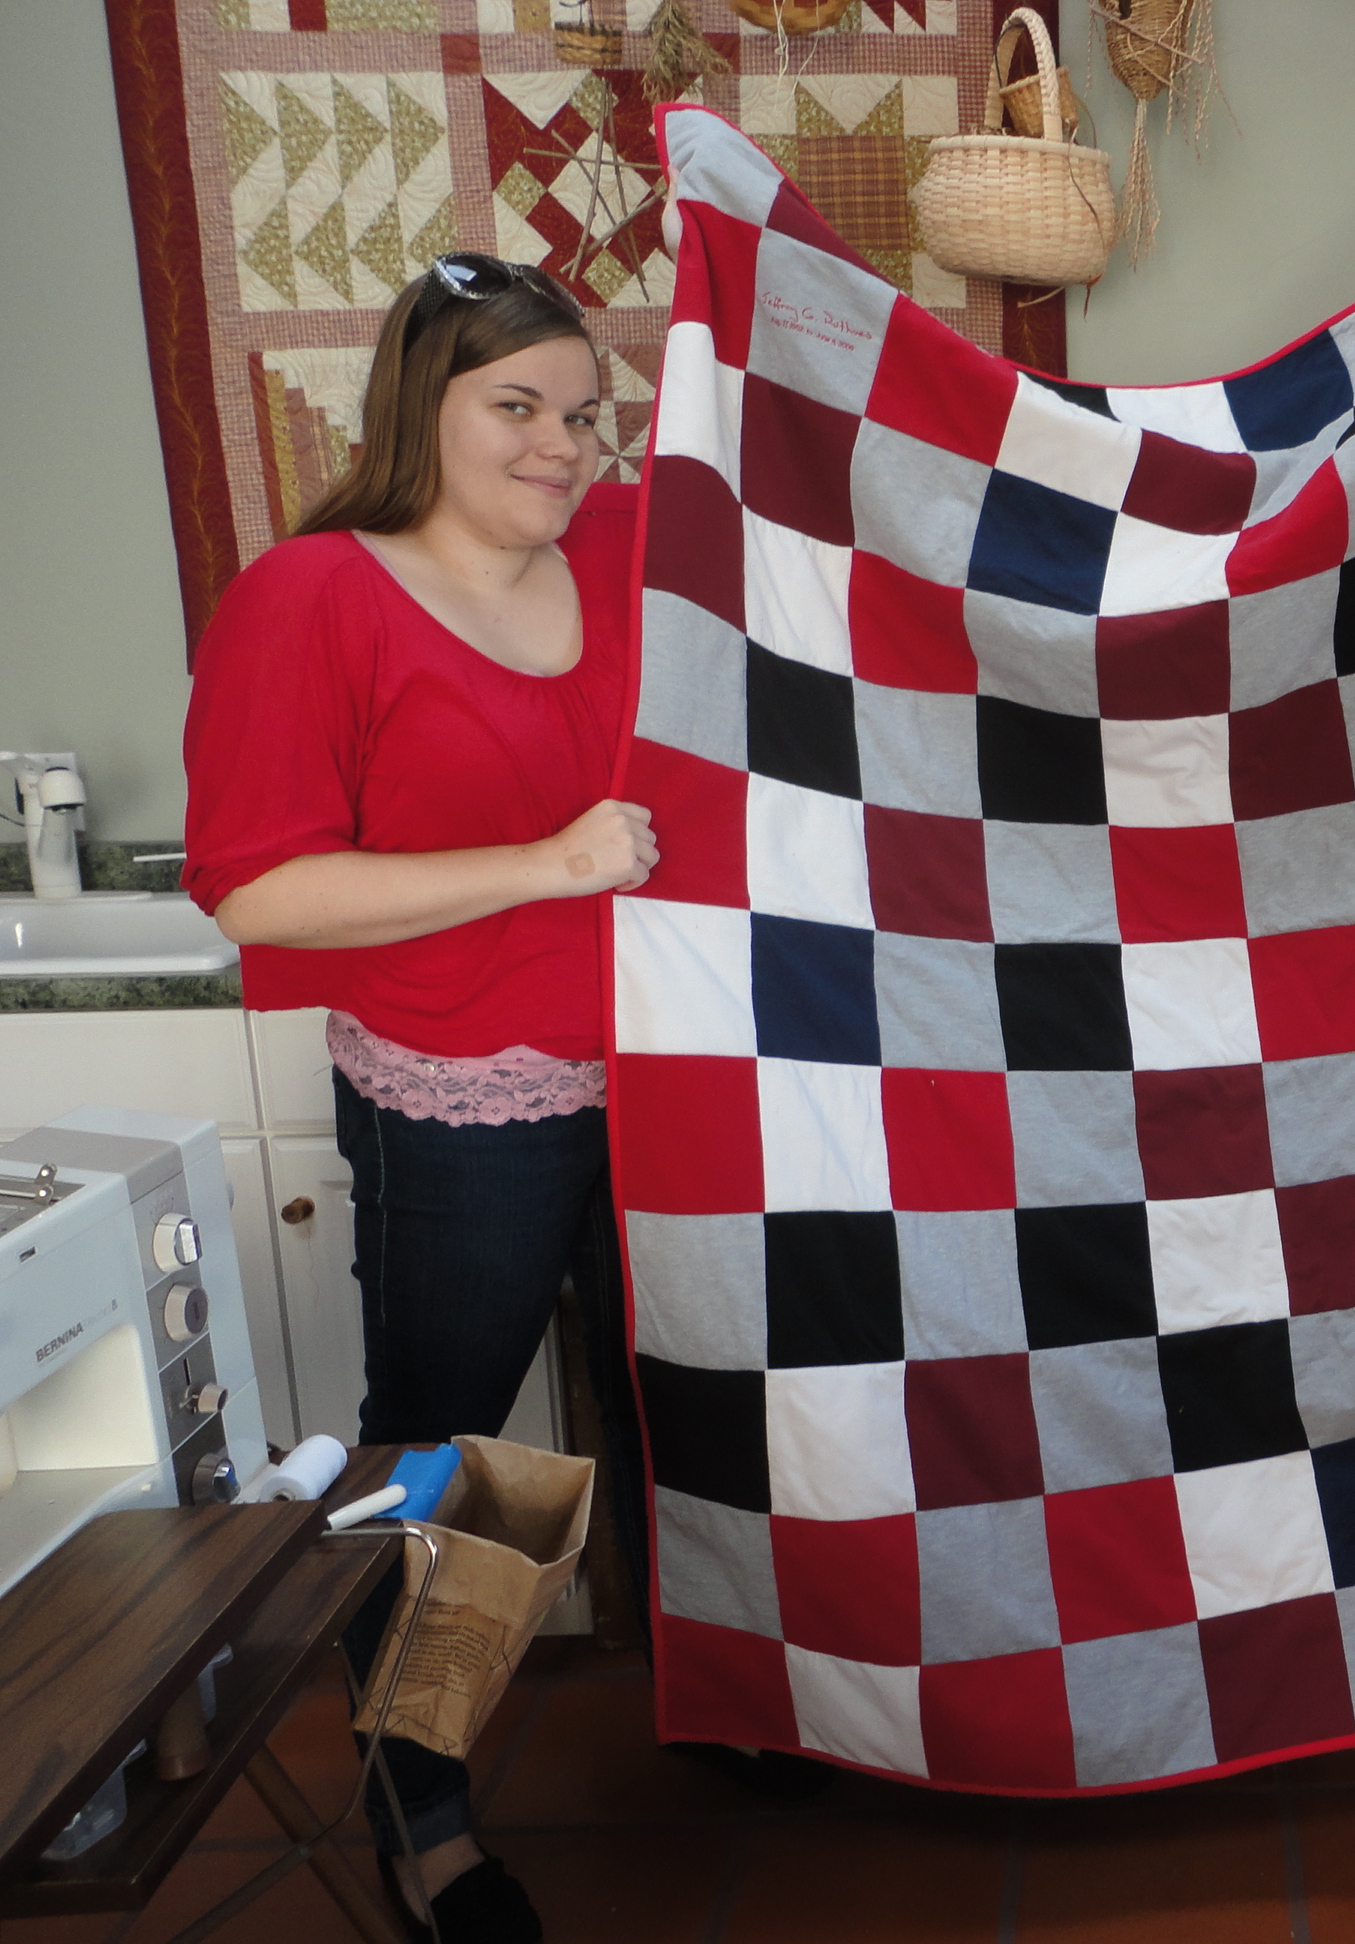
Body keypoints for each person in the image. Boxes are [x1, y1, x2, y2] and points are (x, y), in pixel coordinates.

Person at [183, 252, 653, 1944]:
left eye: (586, 415)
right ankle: (422, 1811)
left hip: (675, 1083)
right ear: (418, 408)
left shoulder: (633, 548)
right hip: (468, 1097)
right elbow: (256, 888)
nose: (562, 448)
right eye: (517, 407)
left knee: (689, 1414)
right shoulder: (314, 596)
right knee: (452, 1453)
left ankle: (738, 1706)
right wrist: (543, 865)